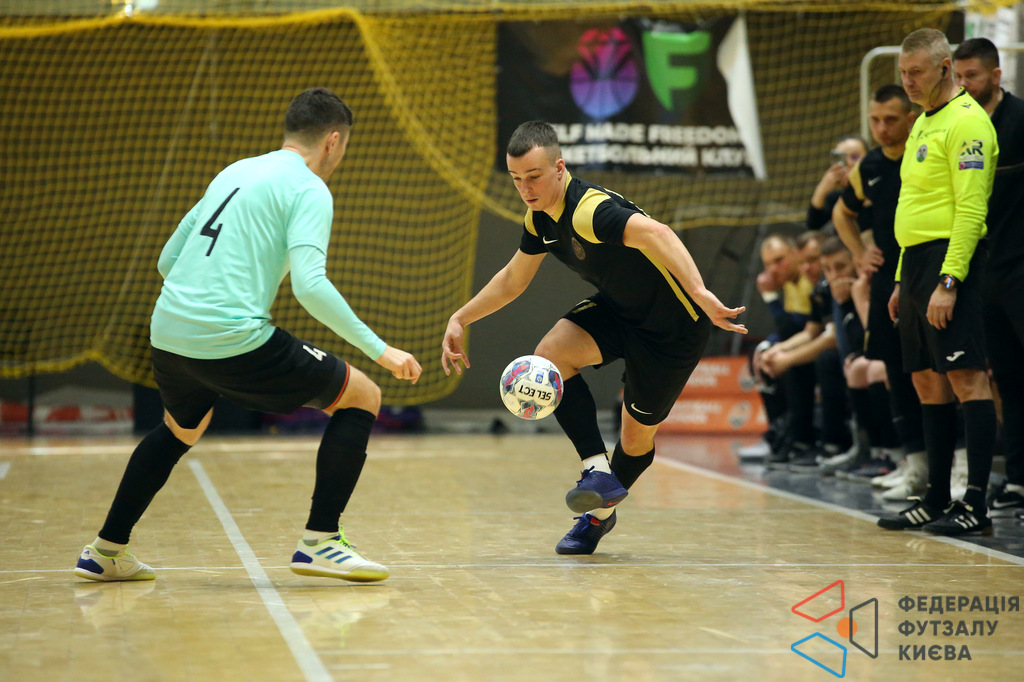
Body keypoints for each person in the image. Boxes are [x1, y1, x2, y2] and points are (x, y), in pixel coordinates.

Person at [74, 88, 422, 583]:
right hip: (231, 337)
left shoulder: (234, 172)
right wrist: (381, 351)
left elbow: (168, 261)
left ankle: (106, 550)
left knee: (180, 429)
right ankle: (321, 542)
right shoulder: (308, 189)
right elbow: (310, 286)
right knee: (363, 395)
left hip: (168, 330)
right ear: (334, 141)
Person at [440, 121, 746, 555]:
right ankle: (596, 470)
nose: (525, 189)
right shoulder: (539, 218)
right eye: (516, 179)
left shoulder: (589, 210)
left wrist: (700, 293)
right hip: (619, 310)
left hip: (672, 329)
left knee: (636, 440)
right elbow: (512, 280)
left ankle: (599, 517)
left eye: (534, 176)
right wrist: (461, 317)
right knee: (549, 357)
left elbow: (657, 232)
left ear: (559, 168)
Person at [876, 29, 998, 536]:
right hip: (916, 264)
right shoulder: (924, 122)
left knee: (966, 378)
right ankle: (935, 498)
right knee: (926, 380)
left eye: (916, 72)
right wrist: (901, 280)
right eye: (903, 73)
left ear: (945, 68)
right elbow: (914, 207)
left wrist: (949, 280)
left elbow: (970, 209)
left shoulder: (968, 123)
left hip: (952, 261)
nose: (907, 82)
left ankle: (976, 505)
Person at [832, 84, 926, 493]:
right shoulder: (868, 166)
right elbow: (841, 213)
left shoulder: (924, 154)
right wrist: (859, 253)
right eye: (875, 120)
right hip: (887, 276)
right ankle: (914, 464)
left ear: (909, 118)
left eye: (890, 119)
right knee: (893, 369)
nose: (881, 128)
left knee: (933, 372)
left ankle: (952, 465)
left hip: (925, 270)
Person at [953, 38, 1024, 513]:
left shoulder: (1020, 120)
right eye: (957, 77)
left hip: (1021, 266)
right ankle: (1018, 480)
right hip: (985, 272)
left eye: (972, 76)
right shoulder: (959, 125)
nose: (963, 85)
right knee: (1008, 378)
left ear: (996, 76)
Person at [751, 233, 817, 467]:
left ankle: (798, 438)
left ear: (796, 254)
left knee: (788, 364)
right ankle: (777, 433)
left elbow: (798, 329)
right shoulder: (790, 282)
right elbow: (790, 327)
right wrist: (768, 346)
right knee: (760, 356)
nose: (773, 269)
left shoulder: (809, 279)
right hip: (806, 338)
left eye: (779, 260)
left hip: (820, 343)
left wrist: (770, 297)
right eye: (767, 264)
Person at [807, 135, 868, 231]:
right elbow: (813, 225)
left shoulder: (879, 187)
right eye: (841, 158)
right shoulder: (835, 197)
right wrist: (822, 189)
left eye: (855, 157)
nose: (848, 162)